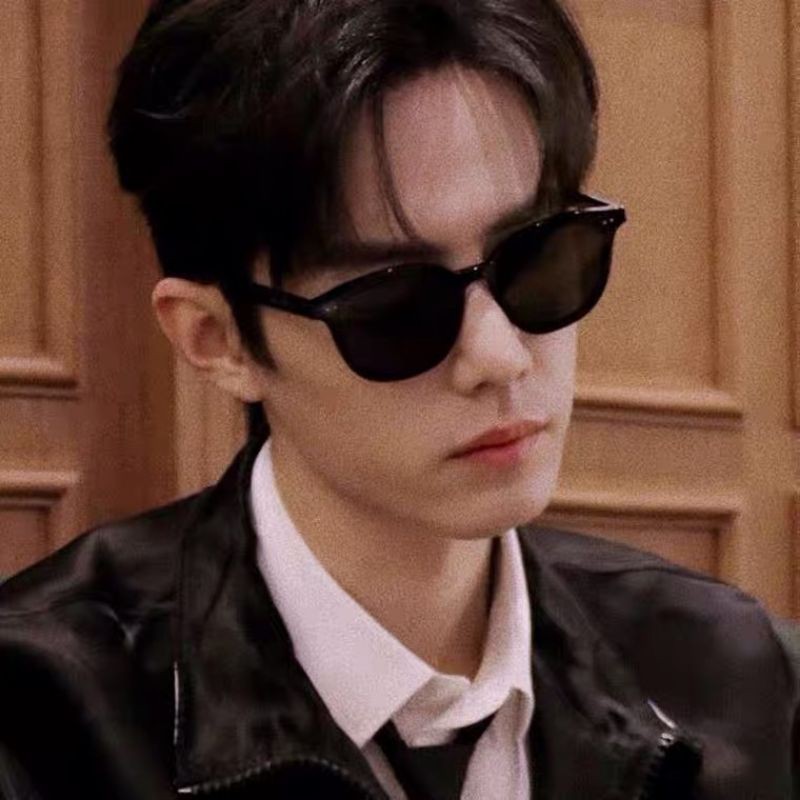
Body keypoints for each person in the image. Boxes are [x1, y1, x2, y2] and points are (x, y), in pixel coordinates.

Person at [0, 0, 797, 798]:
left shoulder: (736, 676)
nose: (500, 356)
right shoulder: (42, 721)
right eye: (395, 305)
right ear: (218, 339)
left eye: (541, 257)